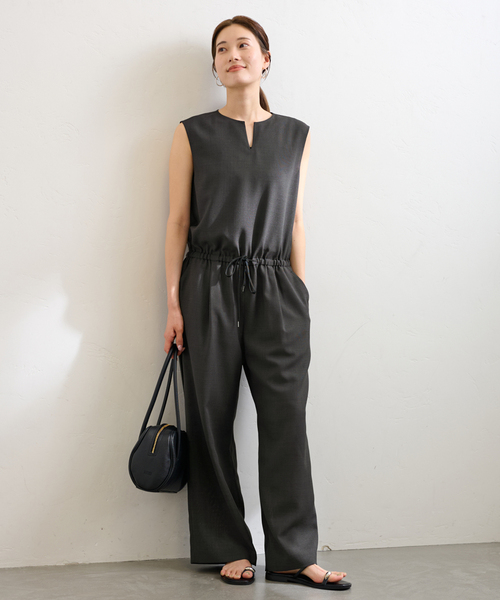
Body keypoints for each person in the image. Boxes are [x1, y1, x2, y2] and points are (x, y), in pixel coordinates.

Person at [163, 15, 351, 592]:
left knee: (286, 419)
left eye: (243, 45)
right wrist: (173, 304)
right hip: (207, 283)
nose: (232, 55)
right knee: (211, 415)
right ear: (215, 66)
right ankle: (228, 546)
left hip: (277, 287)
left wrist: (298, 295)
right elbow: (176, 222)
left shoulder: (296, 134)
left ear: (265, 58)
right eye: (222, 49)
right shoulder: (192, 133)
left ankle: (294, 554)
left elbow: (295, 222)